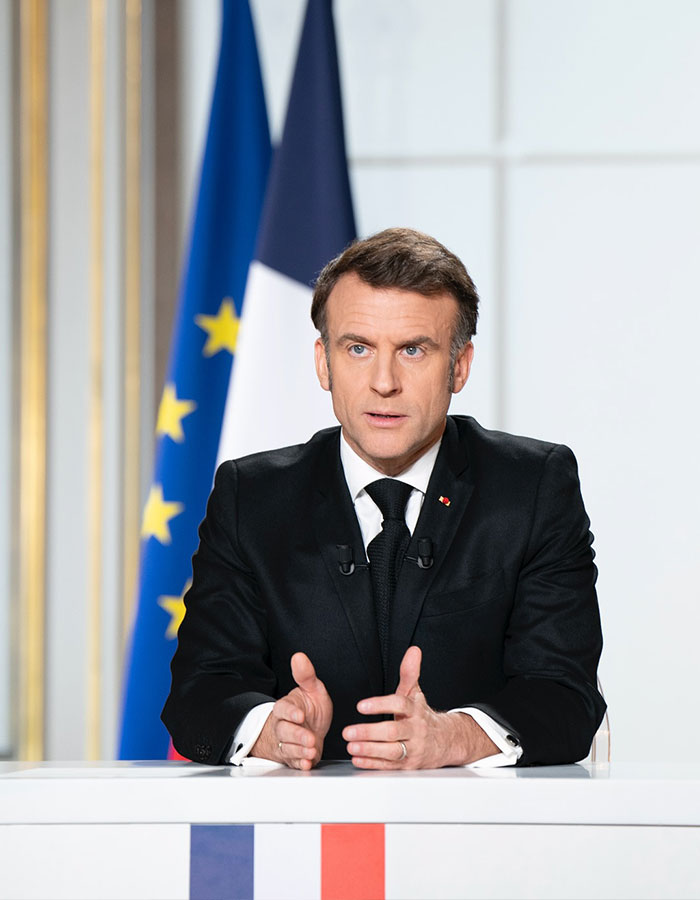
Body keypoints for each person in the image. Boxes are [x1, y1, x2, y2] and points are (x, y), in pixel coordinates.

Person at [162, 227, 606, 770]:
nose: (383, 382)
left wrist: (453, 737)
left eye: (413, 350)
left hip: (479, 835)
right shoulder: (250, 496)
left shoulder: (534, 487)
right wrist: (268, 730)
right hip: (300, 833)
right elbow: (198, 694)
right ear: (324, 363)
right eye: (358, 348)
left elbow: (566, 696)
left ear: (459, 366)